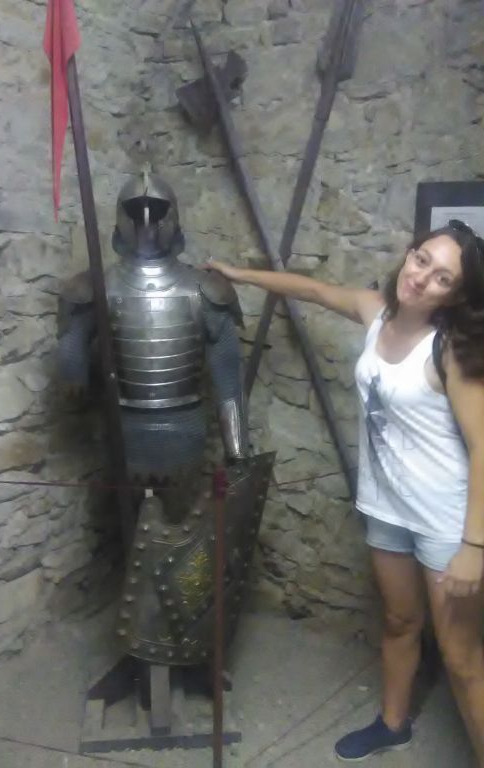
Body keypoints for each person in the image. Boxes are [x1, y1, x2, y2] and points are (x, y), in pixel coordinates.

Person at [205, 219, 484, 765]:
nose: (422, 277)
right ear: (410, 254)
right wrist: (239, 274)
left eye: (443, 277)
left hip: (446, 521)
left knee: (461, 658)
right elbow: (311, 289)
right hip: (387, 508)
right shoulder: (375, 311)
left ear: (456, 296)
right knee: (400, 622)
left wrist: (474, 546)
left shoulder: (450, 348)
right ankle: (393, 724)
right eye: (422, 259)